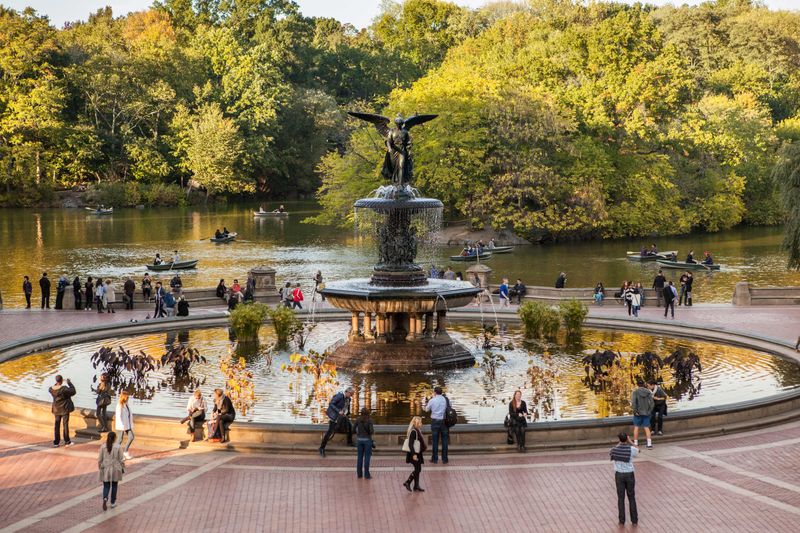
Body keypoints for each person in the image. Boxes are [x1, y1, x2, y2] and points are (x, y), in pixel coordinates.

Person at [610, 432, 639, 526]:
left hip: (619, 475)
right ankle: (634, 521)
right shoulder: (631, 449)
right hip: (629, 474)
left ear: (619, 439)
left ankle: (621, 520)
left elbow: (611, 452)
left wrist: (619, 443)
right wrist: (631, 442)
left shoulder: (615, 450)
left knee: (620, 498)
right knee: (631, 497)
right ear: (626, 439)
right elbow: (639, 450)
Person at [319, 387, 354, 457]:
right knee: (330, 432)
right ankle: (321, 448)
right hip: (334, 416)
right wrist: (338, 411)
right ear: (347, 392)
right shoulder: (339, 396)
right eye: (351, 394)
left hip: (343, 416)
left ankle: (349, 442)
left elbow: (347, 407)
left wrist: (347, 414)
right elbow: (331, 404)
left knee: (350, 426)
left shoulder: (349, 399)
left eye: (352, 394)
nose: (351, 396)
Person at [98, 431, 125, 511]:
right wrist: (123, 467)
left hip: (105, 468)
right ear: (115, 438)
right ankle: (113, 502)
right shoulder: (118, 446)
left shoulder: (103, 446)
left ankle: (105, 498)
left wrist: (100, 467)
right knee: (114, 485)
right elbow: (121, 459)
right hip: (115, 468)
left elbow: (100, 459)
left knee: (106, 485)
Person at [423, 386, 448, 464]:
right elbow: (449, 406)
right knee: (444, 440)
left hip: (435, 422)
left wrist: (423, 404)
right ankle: (445, 459)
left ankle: (435, 459)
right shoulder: (445, 399)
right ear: (441, 392)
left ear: (435, 392)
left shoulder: (432, 400)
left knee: (435, 441)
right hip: (443, 422)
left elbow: (426, 409)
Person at [49, 375, 76, 447]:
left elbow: (56, 388)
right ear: (61, 381)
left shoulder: (51, 389)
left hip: (56, 409)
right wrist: (69, 383)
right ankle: (67, 441)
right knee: (65, 425)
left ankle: (56, 442)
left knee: (57, 425)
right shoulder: (64, 389)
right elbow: (73, 391)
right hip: (64, 409)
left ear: (56, 381)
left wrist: (57, 383)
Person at [403, 416, 426, 492]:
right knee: (417, 469)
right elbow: (410, 444)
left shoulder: (417, 430)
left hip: (417, 453)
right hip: (414, 453)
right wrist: (414, 455)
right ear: (416, 423)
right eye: (420, 422)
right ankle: (408, 482)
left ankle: (416, 486)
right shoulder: (413, 431)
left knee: (418, 469)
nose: (421, 424)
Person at [631, 380, 654, 449]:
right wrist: (649, 411)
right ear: (643, 384)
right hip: (646, 413)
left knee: (636, 427)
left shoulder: (635, 392)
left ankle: (636, 443)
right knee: (647, 428)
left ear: (637, 384)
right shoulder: (648, 392)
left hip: (638, 413)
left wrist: (635, 411)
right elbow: (652, 403)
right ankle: (649, 444)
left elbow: (634, 402)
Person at [354, 407, 374, 479]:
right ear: (368, 413)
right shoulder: (369, 420)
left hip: (359, 440)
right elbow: (371, 431)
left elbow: (353, 429)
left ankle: (359, 474)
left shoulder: (358, 419)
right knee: (367, 458)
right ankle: (366, 475)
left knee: (359, 457)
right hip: (367, 440)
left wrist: (358, 433)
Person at [115, 391, 135, 459]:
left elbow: (129, 414)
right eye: (127, 397)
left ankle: (125, 451)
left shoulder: (126, 404)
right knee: (120, 439)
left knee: (131, 437)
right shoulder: (119, 405)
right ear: (124, 397)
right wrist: (122, 425)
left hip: (127, 425)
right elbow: (118, 416)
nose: (128, 398)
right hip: (121, 425)